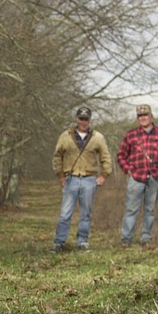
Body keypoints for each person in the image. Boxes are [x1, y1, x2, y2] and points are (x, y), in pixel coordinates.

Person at [51, 106, 112, 252]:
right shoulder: (65, 136)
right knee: (65, 213)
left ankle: (83, 242)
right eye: (81, 119)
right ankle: (59, 242)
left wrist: (104, 175)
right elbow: (57, 156)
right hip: (70, 178)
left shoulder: (98, 137)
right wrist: (60, 175)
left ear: (90, 120)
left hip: (89, 179)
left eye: (86, 119)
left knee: (86, 212)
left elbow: (106, 157)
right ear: (76, 119)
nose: (83, 122)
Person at [117, 104, 158, 247]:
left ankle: (146, 238)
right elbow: (121, 155)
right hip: (136, 177)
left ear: (151, 116)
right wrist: (128, 169)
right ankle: (126, 238)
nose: (143, 118)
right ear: (137, 119)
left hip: (155, 177)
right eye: (140, 116)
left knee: (150, 209)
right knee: (131, 209)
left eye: (145, 115)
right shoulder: (131, 135)